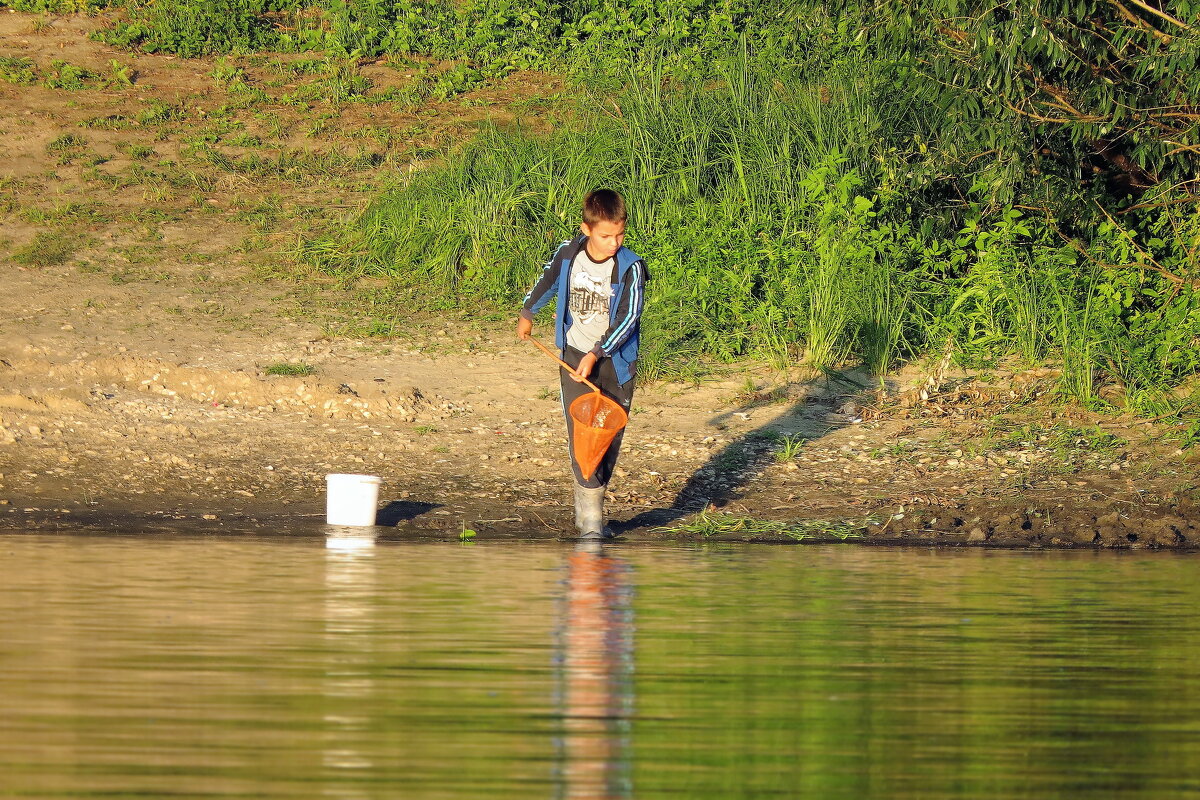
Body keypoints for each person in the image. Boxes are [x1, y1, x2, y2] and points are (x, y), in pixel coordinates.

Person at [516, 189, 648, 540]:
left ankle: (589, 514)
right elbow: (547, 281)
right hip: (574, 355)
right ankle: (590, 523)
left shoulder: (631, 267)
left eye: (620, 234)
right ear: (587, 229)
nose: (614, 243)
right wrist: (528, 312)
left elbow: (629, 317)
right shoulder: (569, 253)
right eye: (606, 236)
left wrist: (598, 353)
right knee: (582, 434)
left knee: (607, 435)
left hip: (616, 363)